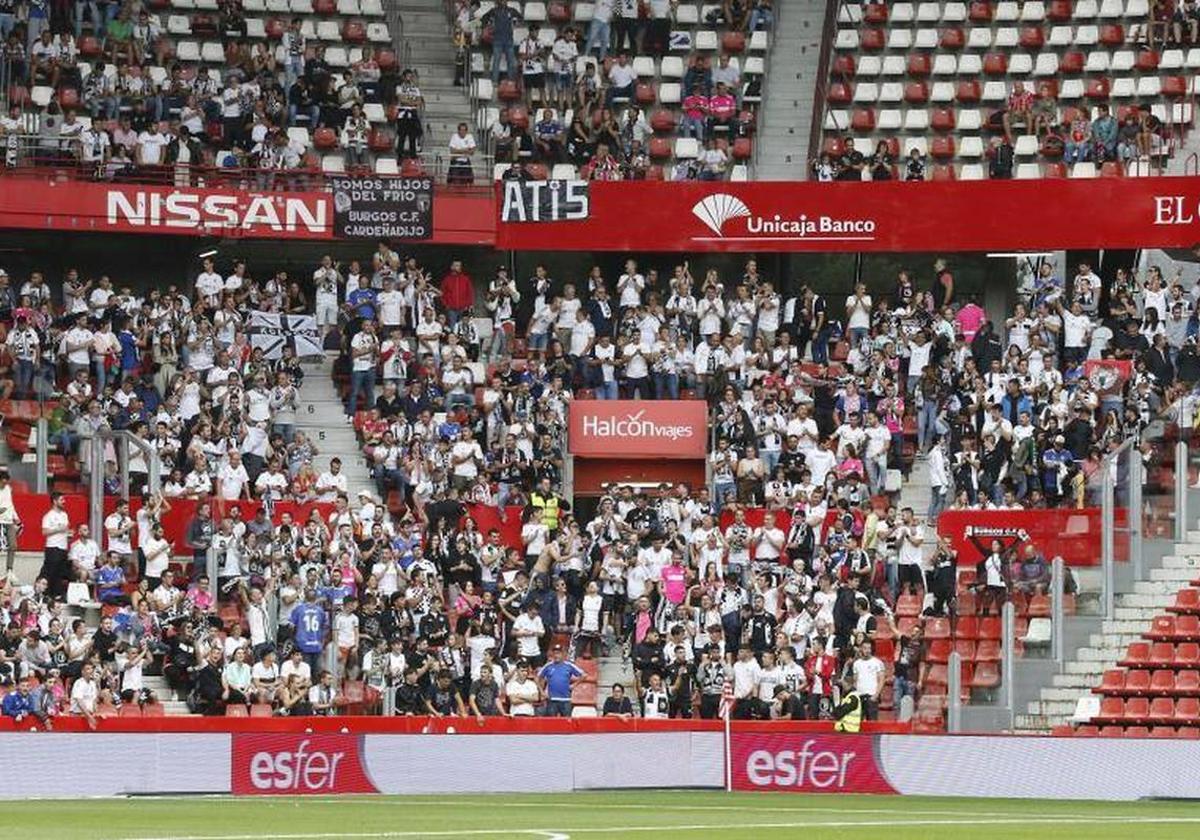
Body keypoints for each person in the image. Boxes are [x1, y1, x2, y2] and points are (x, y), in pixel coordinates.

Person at [537, 644, 584, 716]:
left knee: (567, 723)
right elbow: (537, 677)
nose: (556, 655)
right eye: (555, 653)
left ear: (563, 654)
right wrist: (542, 692)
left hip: (566, 700)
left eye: (558, 653)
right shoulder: (548, 666)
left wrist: (574, 685)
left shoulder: (569, 665)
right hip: (552, 699)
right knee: (551, 723)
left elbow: (583, 675)